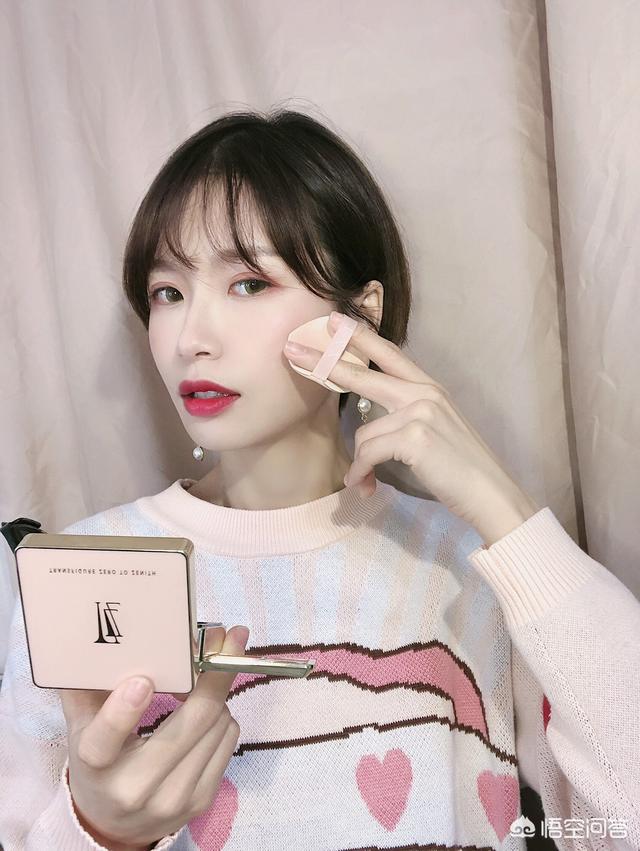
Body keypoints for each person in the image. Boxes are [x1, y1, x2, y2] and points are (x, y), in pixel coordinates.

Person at [1, 108, 639, 851]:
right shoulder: (83, 565)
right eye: (167, 292)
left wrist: (508, 517)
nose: (190, 339)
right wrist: (98, 831)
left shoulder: (475, 564)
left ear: (358, 316)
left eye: (248, 283)